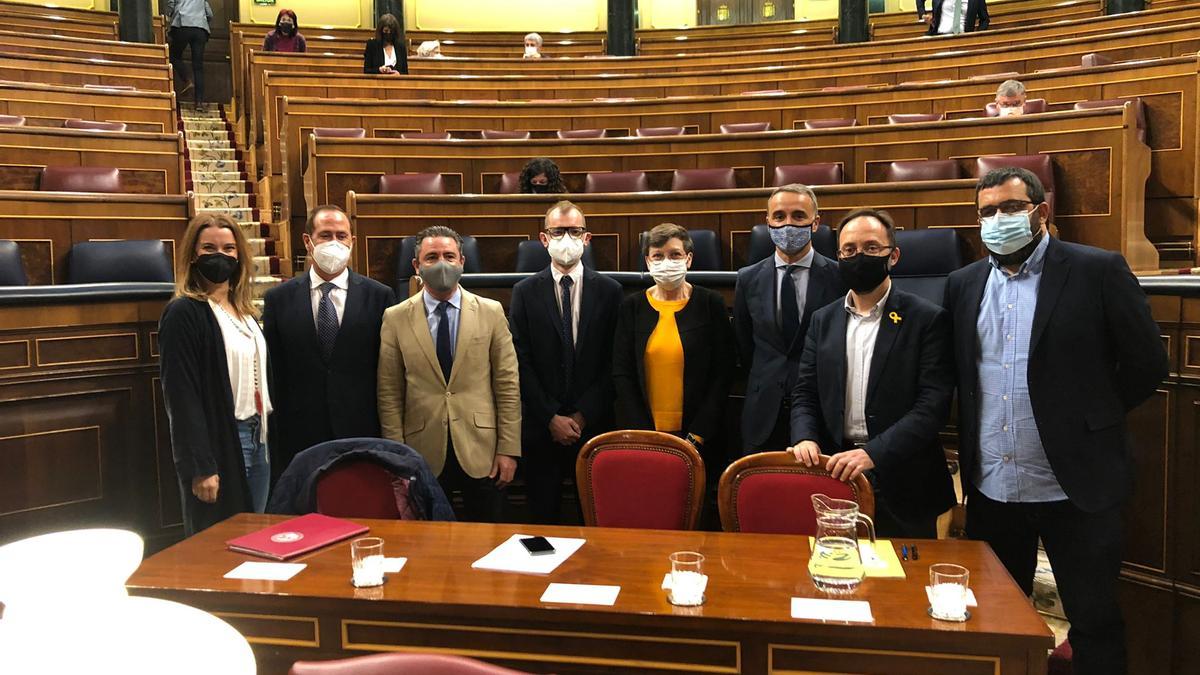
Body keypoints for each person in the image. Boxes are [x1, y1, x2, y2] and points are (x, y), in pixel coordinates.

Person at [944, 167, 1168, 674]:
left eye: (1008, 208)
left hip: (1076, 485)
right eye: (986, 212)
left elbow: (1148, 364)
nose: (997, 219)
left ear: (1040, 211)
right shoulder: (963, 284)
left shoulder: (1097, 270)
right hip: (993, 487)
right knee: (998, 618)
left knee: (1093, 621)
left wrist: (1091, 419)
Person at [787, 209, 955, 538]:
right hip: (836, 471)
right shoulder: (823, 320)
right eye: (849, 250)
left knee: (903, 582)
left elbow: (931, 407)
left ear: (893, 256)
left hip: (904, 478)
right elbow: (805, 391)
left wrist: (872, 453)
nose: (859, 256)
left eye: (871, 248)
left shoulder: (927, 319)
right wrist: (804, 435)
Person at [377, 226, 521, 522]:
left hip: (483, 450)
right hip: (421, 453)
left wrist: (508, 449)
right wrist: (398, 459)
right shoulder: (395, 318)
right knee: (427, 548)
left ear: (462, 262)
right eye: (431, 257)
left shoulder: (491, 312)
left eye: (449, 256)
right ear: (416, 266)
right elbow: (389, 392)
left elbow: (507, 385)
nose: (442, 263)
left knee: (488, 543)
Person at [159, 213, 273, 536]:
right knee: (222, 544)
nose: (220, 256)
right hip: (222, 442)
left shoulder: (245, 311)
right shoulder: (184, 313)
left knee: (255, 538)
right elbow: (180, 397)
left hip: (259, 439)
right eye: (209, 248)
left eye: (228, 248)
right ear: (193, 255)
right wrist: (200, 466)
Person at [261, 205, 395, 482]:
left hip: (361, 427)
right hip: (299, 432)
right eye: (325, 235)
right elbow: (274, 371)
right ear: (307, 241)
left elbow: (387, 369)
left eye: (341, 235)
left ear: (352, 242)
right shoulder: (278, 299)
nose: (334, 242)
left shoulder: (379, 296)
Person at [509, 201, 623, 524]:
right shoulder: (524, 292)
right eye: (558, 232)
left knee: (599, 521)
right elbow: (521, 360)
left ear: (587, 238)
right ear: (544, 239)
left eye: (574, 231)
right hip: (541, 430)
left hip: (595, 426)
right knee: (543, 525)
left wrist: (583, 414)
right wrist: (551, 417)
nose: (566, 239)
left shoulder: (611, 292)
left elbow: (613, 361)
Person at [612, 223, 735, 476]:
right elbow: (622, 373)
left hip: (700, 437)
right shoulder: (631, 307)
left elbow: (723, 372)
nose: (666, 261)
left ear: (688, 259)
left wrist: (698, 433)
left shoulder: (711, 303)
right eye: (658, 256)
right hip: (644, 435)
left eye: (675, 254)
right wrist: (642, 432)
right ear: (647, 262)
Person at [734, 184, 845, 453]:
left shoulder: (840, 277)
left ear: (815, 223)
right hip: (763, 413)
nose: (788, 224)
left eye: (798, 216)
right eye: (779, 217)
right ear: (768, 221)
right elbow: (745, 344)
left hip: (821, 412)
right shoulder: (747, 278)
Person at [164, 0, 213, 106]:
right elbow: (210, 14)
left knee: (173, 55)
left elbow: (170, 7)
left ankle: (187, 80)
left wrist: (168, 22)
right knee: (198, 66)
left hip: (183, 24)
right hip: (200, 28)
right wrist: (201, 21)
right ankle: (199, 102)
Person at [918, 0, 989, 35]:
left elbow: (984, 20)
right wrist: (923, 14)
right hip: (939, 37)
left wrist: (976, 37)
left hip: (964, 38)